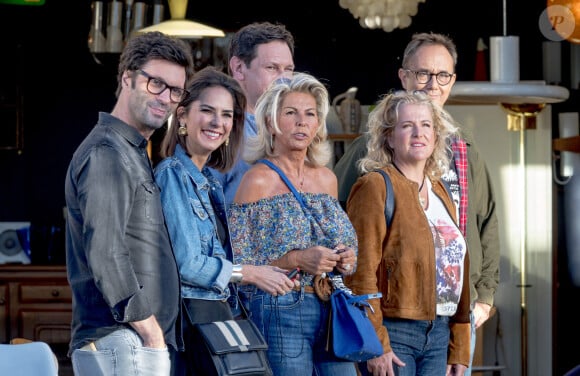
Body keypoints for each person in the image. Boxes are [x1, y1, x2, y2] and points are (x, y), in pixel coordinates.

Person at [334, 32, 500, 374]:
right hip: (395, 318)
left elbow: (486, 223)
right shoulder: (371, 152)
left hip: (451, 319)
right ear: (404, 76)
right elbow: (347, 234)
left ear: (452, 80)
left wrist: (484, 296)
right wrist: (372, 331)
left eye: (443, 76)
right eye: (423, 73)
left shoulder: (464, 150)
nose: (432, 84)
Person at [64, 31, 194, 376]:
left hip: (131, 343)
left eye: (175, 91)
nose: (165, 98)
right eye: (155, 83)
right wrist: (151, 334)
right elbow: (106, 253)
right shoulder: (107, 153)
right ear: (127, 78)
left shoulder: (130, 151)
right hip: (123, 343)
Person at [154, 66, 295, 376]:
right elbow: (188, 264)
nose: (218, 122)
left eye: (227, 114)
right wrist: (250, 273)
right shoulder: (172, 175)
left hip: (217, 314)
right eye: (207, 111)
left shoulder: (209, 181)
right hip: (191, 322)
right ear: (182, 116)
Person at [228, 73, 358, 376]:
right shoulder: (257, 180)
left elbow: (344, 243)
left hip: (331, 307)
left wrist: (345, 257)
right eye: (291, 113)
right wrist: (298, 259)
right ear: (272, 123)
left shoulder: (327, 179)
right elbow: (241, 266)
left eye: (310, 114)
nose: (302, 122)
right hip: (279, 309)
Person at [345, 90, 471, 376]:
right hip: (394, 331)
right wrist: (375, 343)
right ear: (388, 137)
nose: (419, 133)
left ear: (436, 136)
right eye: (406, 125)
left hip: (440, 333)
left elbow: (458, 266)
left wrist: (459, 345)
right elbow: (358, 273)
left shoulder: (442, 192)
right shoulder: (375, 186)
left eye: (426, 125)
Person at [210, 21, 296, 205]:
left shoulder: (293, 127)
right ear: (239, 68)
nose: (283, 79)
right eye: (272, 68)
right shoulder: (217, 129)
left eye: (288, 69)